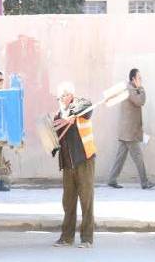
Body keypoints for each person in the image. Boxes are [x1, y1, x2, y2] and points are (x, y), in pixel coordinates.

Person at [52, 82, 96, 249]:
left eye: (62, 96)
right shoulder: (59, 115)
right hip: (68, 164)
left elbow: (88, 106)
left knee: (86, 200)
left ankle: (87, 239)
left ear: (69, 95)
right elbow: (56, 135)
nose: (60, 100)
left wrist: (71, 113)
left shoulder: (81, 104)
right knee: (68, 202)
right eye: (58, 98)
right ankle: (67, 237)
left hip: (84, 160)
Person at [107, 68, 155, 190]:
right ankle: (144, 182)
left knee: (120, 157)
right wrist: (141, 88)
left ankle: (112, 179)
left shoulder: (129, 89)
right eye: (139, 78)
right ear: (133, 79)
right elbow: (140, 101)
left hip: (127, 131)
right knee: (138, 157)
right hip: (129, 132)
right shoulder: (130, 90)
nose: (141, 80)